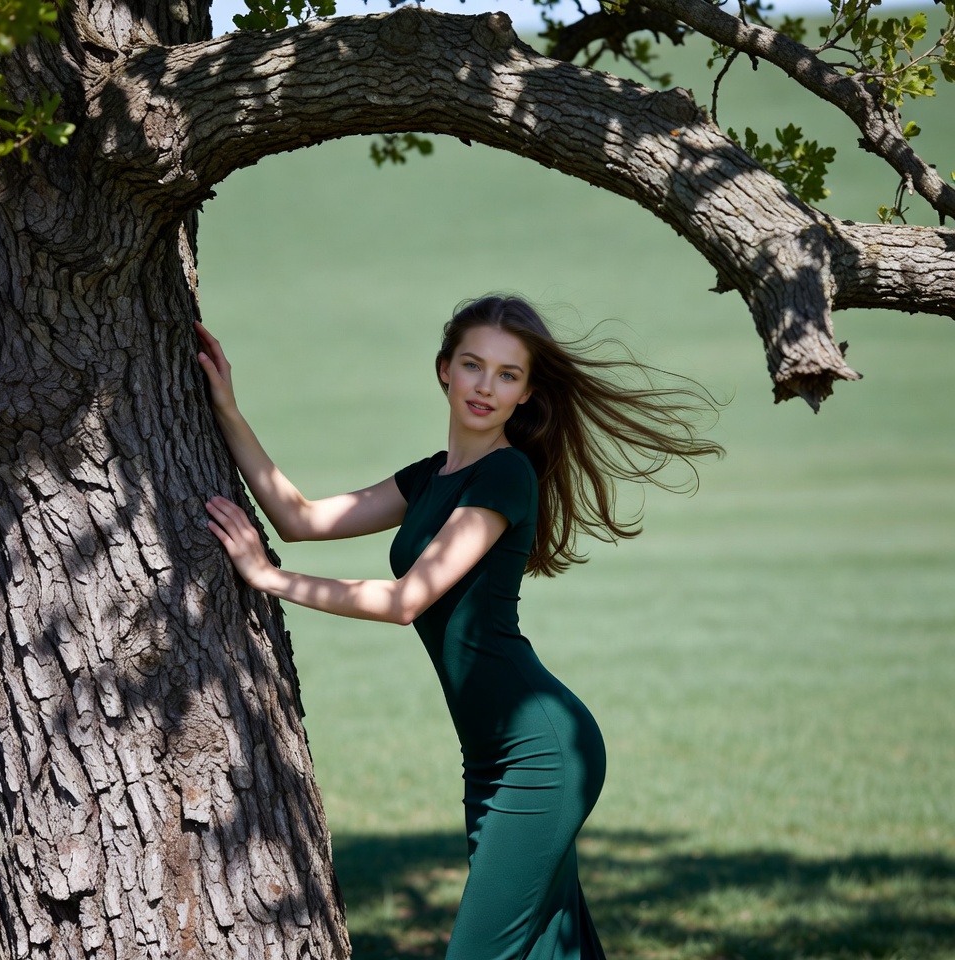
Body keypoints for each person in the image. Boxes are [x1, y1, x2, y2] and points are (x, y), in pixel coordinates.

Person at [197, 295, 722, 960]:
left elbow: (405, 601)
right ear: (445, 368)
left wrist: (269, 579)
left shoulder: (505, 474)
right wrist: (226, 408)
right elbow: (299, 518)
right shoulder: (429, 478)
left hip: (539, 754)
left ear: (526, 392)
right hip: (490, 758)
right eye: (473, 365)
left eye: (508, 374)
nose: (485, 386)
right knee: (549, 949)